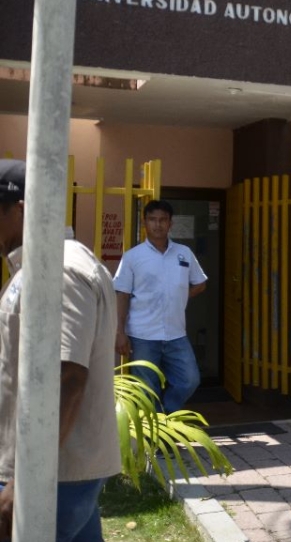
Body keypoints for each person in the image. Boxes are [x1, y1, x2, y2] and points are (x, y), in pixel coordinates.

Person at [0, 159, 121, 541]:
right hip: (59, 473)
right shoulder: (40, 266)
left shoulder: (61, 269)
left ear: (22, 210)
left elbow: (69, 376)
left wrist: (25, 481)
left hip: (51, 477)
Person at [113, 199, 207, 413]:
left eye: (163, 220)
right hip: (142, 334)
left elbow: (200, 283)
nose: (158, 225)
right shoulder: (133, 257)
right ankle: (154, 439)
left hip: (176, 333)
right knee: (146, 390)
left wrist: (179, 296)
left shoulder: (184, 253)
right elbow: (122, 294)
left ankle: (162, 416)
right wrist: (120, 332)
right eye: (153, 220)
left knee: (189, 380)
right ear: (145, 222)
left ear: (170, 223)